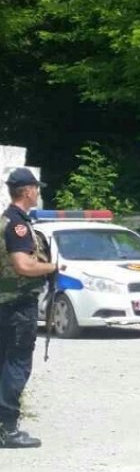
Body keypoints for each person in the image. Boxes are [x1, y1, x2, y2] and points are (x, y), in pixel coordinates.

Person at [1, 168, 56, 449]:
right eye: (36, 188)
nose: (38, 192)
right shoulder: (18, 224)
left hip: (5, 305)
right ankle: (8, 430)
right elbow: (23, 265)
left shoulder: (6, 220)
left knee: (4, 364)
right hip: (17, 306)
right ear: (27, 191)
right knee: (17, 365)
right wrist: (53, 267)